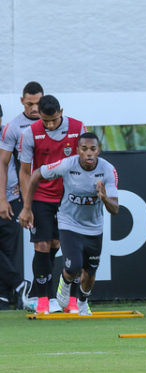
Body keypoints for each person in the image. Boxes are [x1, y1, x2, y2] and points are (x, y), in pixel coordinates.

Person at [20, 132, 118, 315]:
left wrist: (104, 198)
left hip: (94, 227)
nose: (89, 153)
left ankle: (82, 302)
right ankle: (63, 286)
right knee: (73, 267)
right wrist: (27, 207)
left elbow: (115, 208)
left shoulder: (108, 170)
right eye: (84, 149)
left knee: (90, 272)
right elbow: (36, 175)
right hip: (69, 223)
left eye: (93, 149)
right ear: (77, 150)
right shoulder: (67, 165)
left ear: (99, 150)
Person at [18, 95, 87, 314]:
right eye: (45, 121)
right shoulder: (30, 133)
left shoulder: (78, 128)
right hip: (41, 197)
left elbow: (86, 162)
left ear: (61, 112)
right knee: (42, 246)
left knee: (60, 245)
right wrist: (26, 206)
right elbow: (25, 171)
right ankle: (42, 299)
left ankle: (68, 300)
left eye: (53, 120)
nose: (49, 125)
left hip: (69, 198)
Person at [0, 82, 44, 310]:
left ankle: (7, 299)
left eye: (38, 103)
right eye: (30, 104)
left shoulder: (7, 132)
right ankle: (18, 285)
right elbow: (5, 165)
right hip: (9, 197)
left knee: (10, 250)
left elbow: (15, 167)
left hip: (15, 197)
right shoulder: (14, 128)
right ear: (22, 102)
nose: (35, 108)